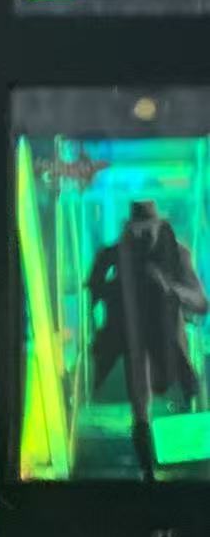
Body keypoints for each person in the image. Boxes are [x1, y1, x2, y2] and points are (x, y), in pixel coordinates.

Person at [88, 199, 209, 480]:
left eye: (147, 230)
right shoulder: (114, 255)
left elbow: (201, 302)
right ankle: (148, 473)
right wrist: (108, 289)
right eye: (136, 230)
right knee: (140, 405)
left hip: (170, 346)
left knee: (186, 399)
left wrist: (169, 288)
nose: (141, 237)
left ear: (159, 226)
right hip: (131, 343)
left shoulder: (177, 254)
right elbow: (92, 293)